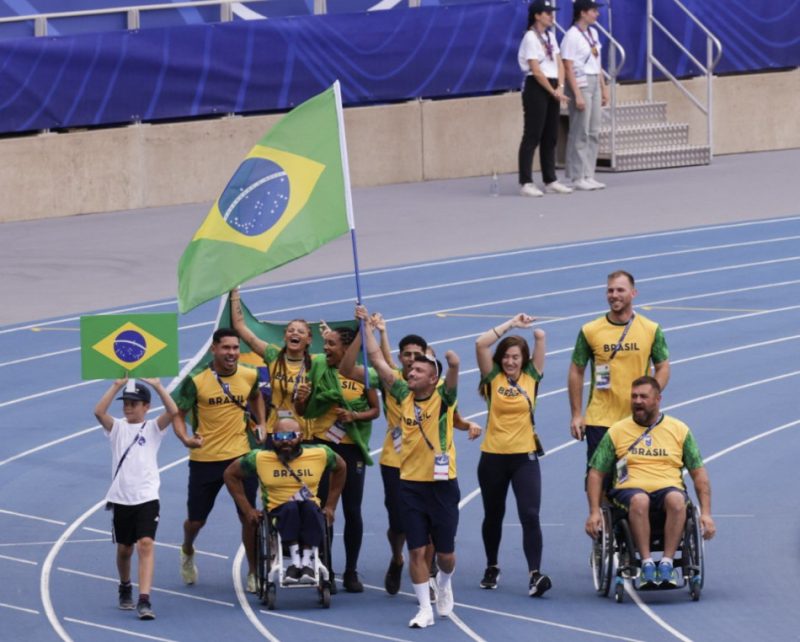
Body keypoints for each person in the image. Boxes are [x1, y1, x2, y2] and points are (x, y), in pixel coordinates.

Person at [338, 311, 480, 598]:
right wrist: (365, 329)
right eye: (407, 356)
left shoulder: (437, 388)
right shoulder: (393, 384)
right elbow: (363, 364)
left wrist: (467, 424)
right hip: (396, 461)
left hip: (434, 469)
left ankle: (427, 576)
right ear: (402, 358)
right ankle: (397, 558)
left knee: (426, 530)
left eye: (418, 357)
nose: (411, 361)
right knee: (398, 524)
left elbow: (451, 415)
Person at [358, 305, 461, 629]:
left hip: (442, 484)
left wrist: (453, 362)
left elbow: (454, 371)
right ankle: (424, 609)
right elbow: (377, 360)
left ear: (433, 377)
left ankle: (443, 585)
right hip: (411, 484)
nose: (410, 373)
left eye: (418, 371)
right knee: (417, 550)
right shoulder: (401, 393)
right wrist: (366, 328)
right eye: (410, 369)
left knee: (445, 555)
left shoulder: (444, 398)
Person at [585, 377, 716, 585]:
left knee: (676, 500)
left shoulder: (679, 430)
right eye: (634, 397)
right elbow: (596, 473)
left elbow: (699, 473)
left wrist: (707, 514)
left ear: (657, 399)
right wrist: (593, 512)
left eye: (643, 397)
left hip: (668, 487)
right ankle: (646, 563)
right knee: (640, 500)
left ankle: (666, 563)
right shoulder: (617, 431)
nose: (637, 401)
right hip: (629, 492)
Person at [171, 328, 267, 593]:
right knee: (196, 521)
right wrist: (185, 439)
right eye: (226, 348)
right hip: (205, 459)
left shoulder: (249, 374)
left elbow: (256, 396)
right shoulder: (197, 380)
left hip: (240, 456)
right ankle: (187, 548)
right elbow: (178, 413)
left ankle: (253, 572)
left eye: (235, 348)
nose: (232, 353)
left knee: (249, 518)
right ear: (214, 349)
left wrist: (262, 424)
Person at [293, 326, 380, 593]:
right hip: (322, 448)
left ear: (346, 348)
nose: (325, 348)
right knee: (321, 510)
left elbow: (376, 410)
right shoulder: (319, 367)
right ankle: (325, 569)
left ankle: (351, 571)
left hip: (352, 449)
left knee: (352, 511)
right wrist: (301, 400)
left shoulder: (365, 374)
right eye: (325, 343)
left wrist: (354, 416)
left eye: (331, 344)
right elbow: (303, 411)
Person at [475, 314, 551, 597]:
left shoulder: (532, 376)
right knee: (493, 514)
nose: (510, 361)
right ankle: (492, 565)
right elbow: (480, 344)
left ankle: (534, 574)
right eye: (506, 356)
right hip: (493, 456)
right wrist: (511, 324)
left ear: (524, 359)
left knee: (530, 514)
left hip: (524, 457)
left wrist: (538, 335)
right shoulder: (492, 377)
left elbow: (541, 341)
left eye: (516, 357)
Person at [94, 377, 179, 620]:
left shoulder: (153, 428)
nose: (128, 407)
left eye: (134, 403)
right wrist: (116, 386)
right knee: (124, 549)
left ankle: (144, 599)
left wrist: (159, 386)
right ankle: (124, 585)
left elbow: (173, 411)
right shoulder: (117, 428)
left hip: (147, 497)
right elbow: (99, 412)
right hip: (122, 498)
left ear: (146, 406)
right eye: (126, 403)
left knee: (146, 544)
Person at [224, 416, 346, 583]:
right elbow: (230, 474)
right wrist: (248, 510)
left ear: (301, 437)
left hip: (310, 509)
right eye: (280, 437)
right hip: (277, 513)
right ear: (273, 438)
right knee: (291, 508)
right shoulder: (259, 458)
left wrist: (331, 506)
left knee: (310, 508)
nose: (285, 442)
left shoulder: (320, 453)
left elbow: (341, 468)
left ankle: (307, 563)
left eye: (290, 436)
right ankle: (296, 563)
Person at [568, 270, 670, 469]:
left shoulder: (651, 329)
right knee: (599, 481)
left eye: (620, 290)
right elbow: (576, 370)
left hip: (636, 419)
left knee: (629, 480)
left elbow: (663, 366)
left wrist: (650, 395)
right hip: (600, 420)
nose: (614, 295)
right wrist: (576, 414)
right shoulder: (590, 330)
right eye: (610, 290)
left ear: (633, 293)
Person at [230, 288, 313, 441]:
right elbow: (241, 328)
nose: (295, 333)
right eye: (291, 330)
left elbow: (343, 357)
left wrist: (365, 328)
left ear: (309, 340)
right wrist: (234, 293)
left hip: (303, 434)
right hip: (275, 430)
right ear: (285, 336)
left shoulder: (316, 364)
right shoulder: (273, 355)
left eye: (301, 332)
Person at [517, 0, 572, 198]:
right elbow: (536, 69)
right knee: (532, 134)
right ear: (537, 15)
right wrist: (552, 90)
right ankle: (526, 181)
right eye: (547, 13)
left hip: (554, 86)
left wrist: (561, 86)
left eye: (552, 12)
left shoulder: (550, 36)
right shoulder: (530, 38)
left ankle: (550, 180)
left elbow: (558, 62)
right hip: (537, 87)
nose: (551, 16)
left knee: (551, 135)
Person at [561, 0, 609, 191]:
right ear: (583, 13)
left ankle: (589, 173)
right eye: (593, 11)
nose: (597, 14)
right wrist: (577, 93)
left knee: (594, 129)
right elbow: (568, 66)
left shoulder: (593, 33)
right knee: (580, 129)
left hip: (594, 81)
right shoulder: (571, 36)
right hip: (580, 83)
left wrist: (603, 86)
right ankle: (577, 175)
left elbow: (597, 62)